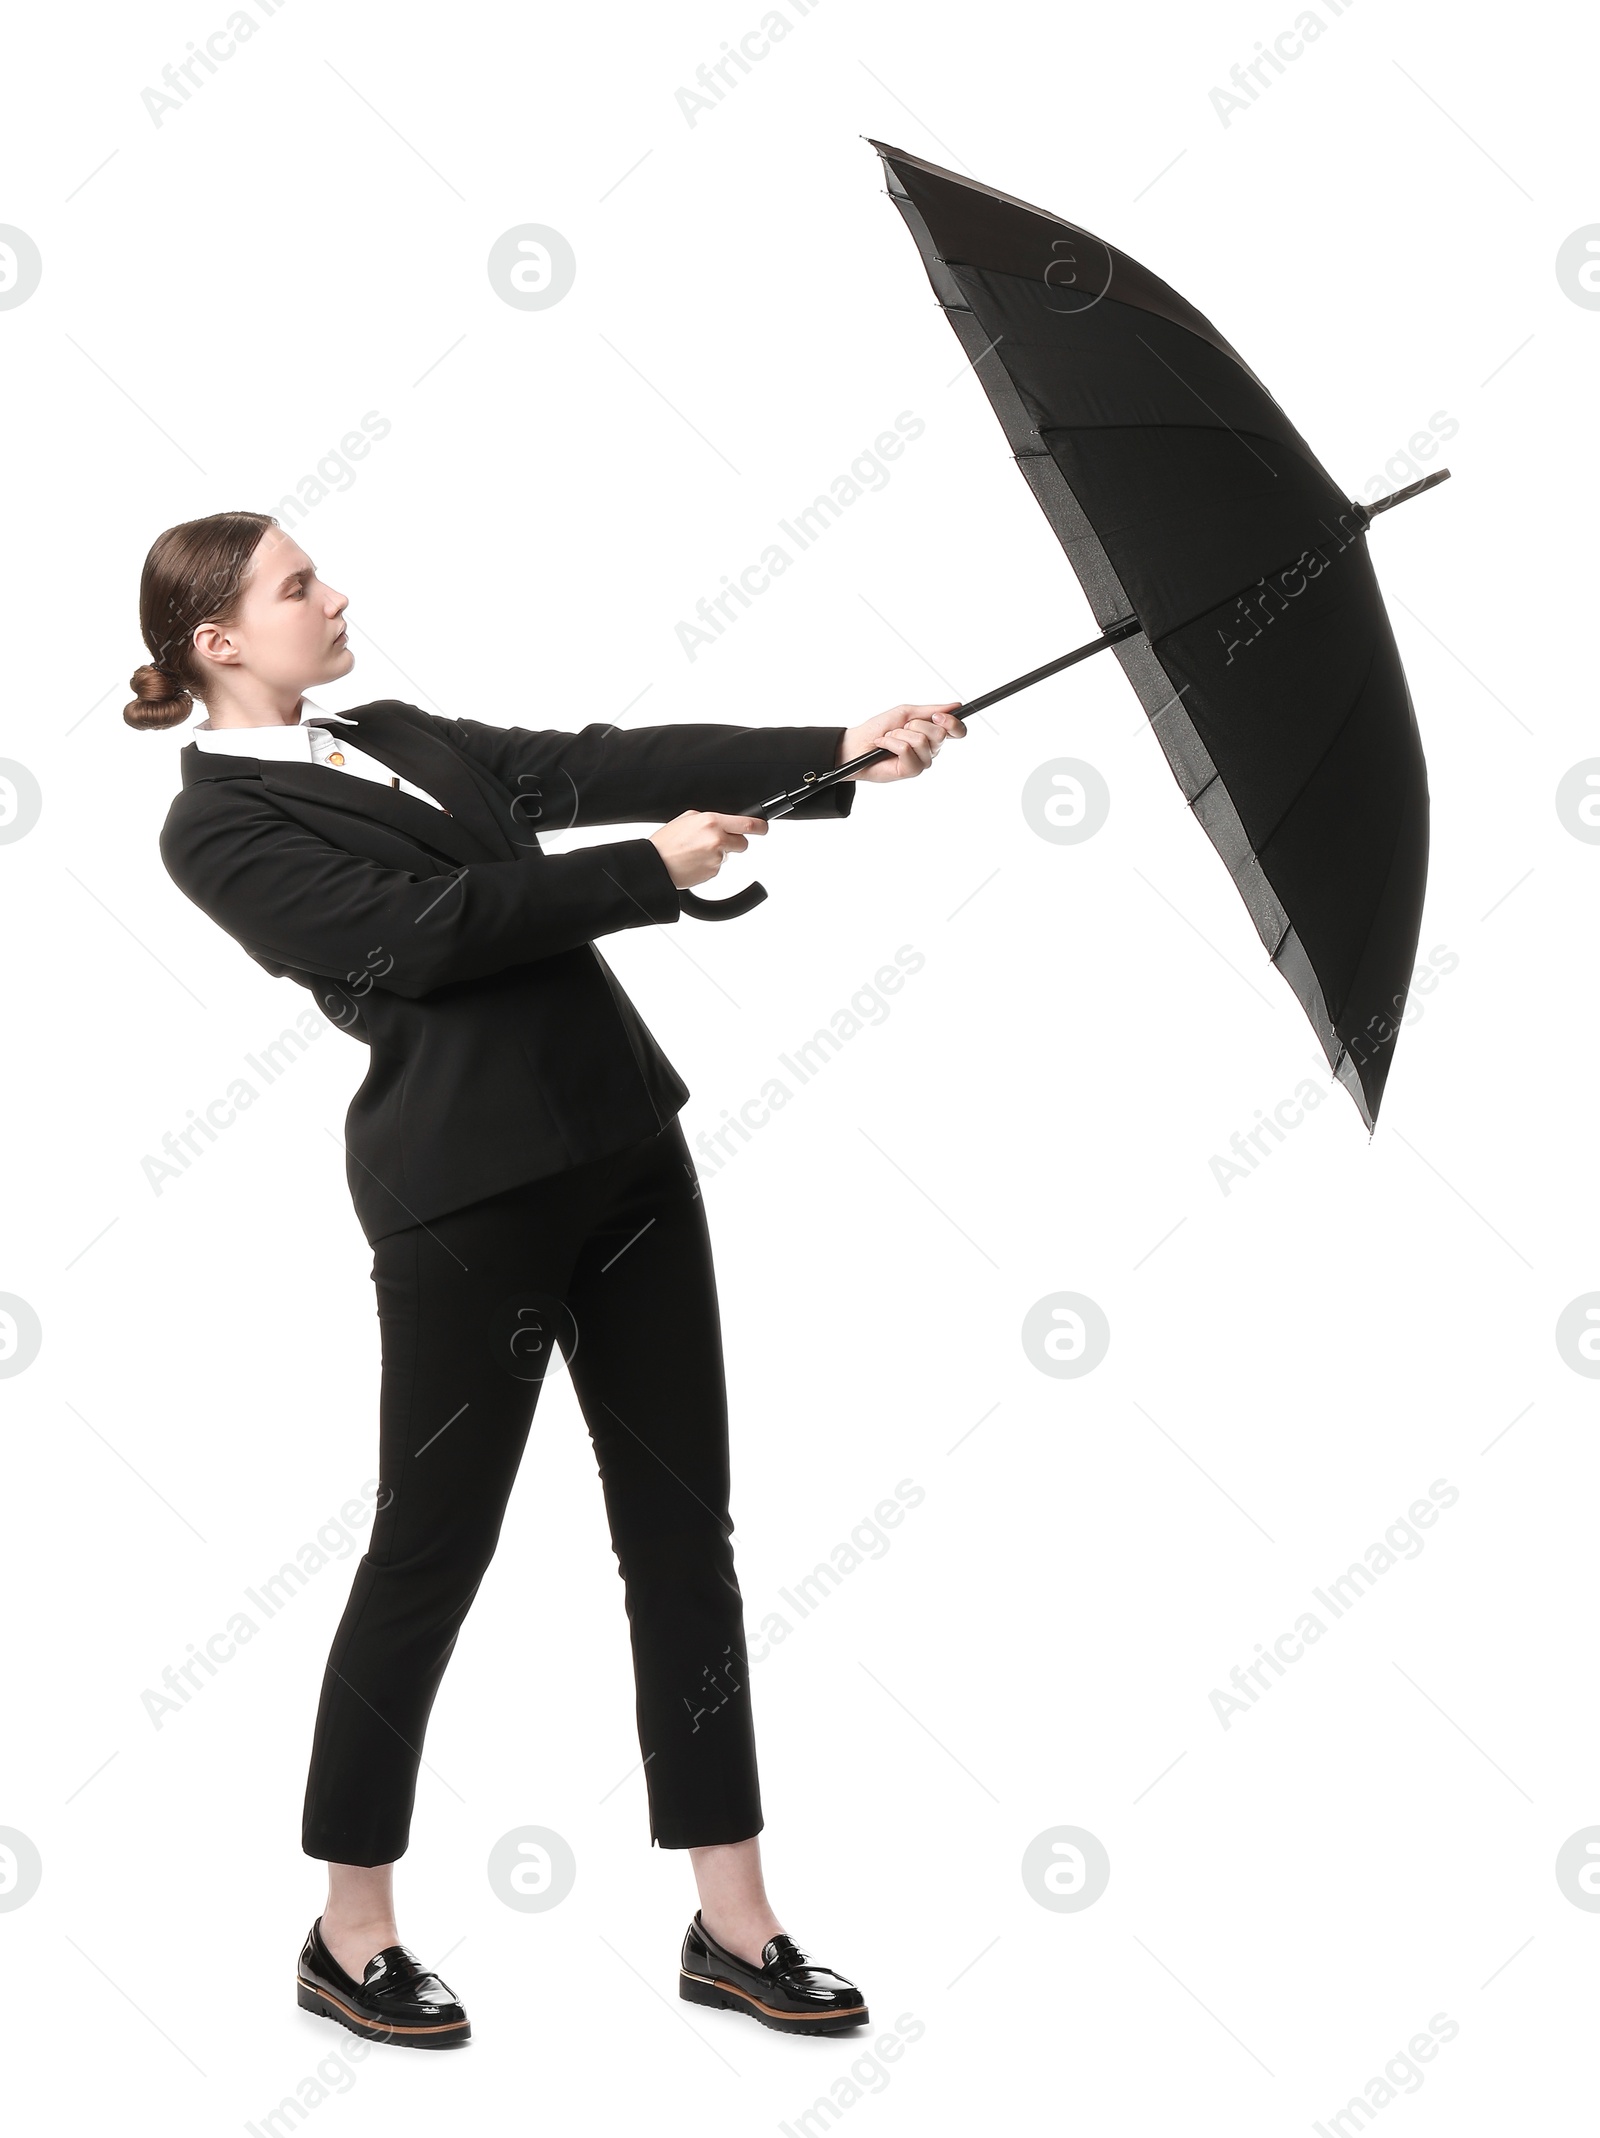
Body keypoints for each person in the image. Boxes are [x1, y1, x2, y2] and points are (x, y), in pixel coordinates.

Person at [129, 510, 965, 2050]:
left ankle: (735, 1917)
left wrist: (837, 749)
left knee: (682, 1535)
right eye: (298, 584)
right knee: (429, 1552)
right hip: (465, 1203)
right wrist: (645, 877)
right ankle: (351, 1925)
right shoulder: (213, 831)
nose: (336, 594)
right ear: (218, 644)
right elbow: (422, 937)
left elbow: (600, 761)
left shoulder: (388, 730)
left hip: (622, 1147)